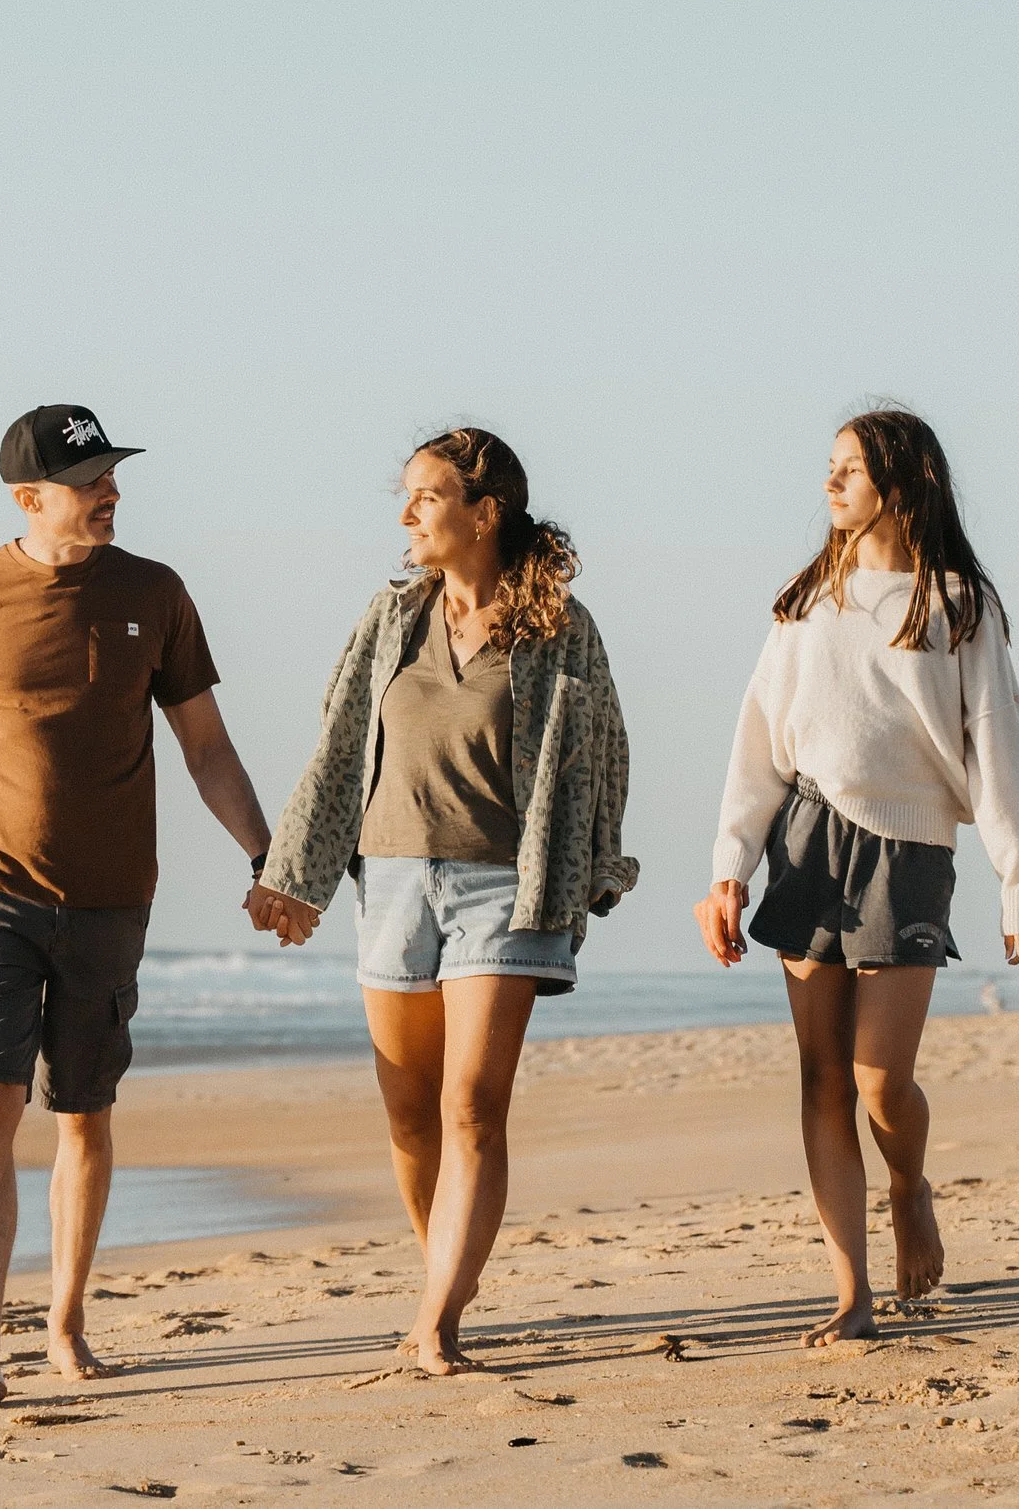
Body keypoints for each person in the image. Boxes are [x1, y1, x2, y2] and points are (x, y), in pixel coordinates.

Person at [0, 405, 278, 1410]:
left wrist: (265, 853)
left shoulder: (154, 592)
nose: (110, 490)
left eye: (111, 473)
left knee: (83, 1111)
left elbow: (205, 744)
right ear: (28, 497)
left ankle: (70, 1322)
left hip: (111, 895)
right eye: (89, 478)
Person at [251, 427, 636, 1375]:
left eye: (426, 497)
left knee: (471, 1106)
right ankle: (445, 1279)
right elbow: (340, 743)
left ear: (483, 511)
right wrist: (293, 873)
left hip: (506, 885)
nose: (407, 514)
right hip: (389, 878)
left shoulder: (559, 627)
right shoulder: (391, 619)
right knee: (410, 1115)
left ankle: (436, 1319)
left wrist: (595, 868)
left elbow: (607, 752)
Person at [692, 409, 1019, 1346]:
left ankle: (908, 1184)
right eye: (829, 467)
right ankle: (850, 1292)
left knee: (881, 1078)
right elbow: (757, 749)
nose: (831, 483)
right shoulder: (810, 601)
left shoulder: (960, 604)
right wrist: (728, 868)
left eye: (849, 468)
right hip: (806, 840)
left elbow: (998, 749)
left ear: (901, 481)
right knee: (821, 1081)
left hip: (912, 852)